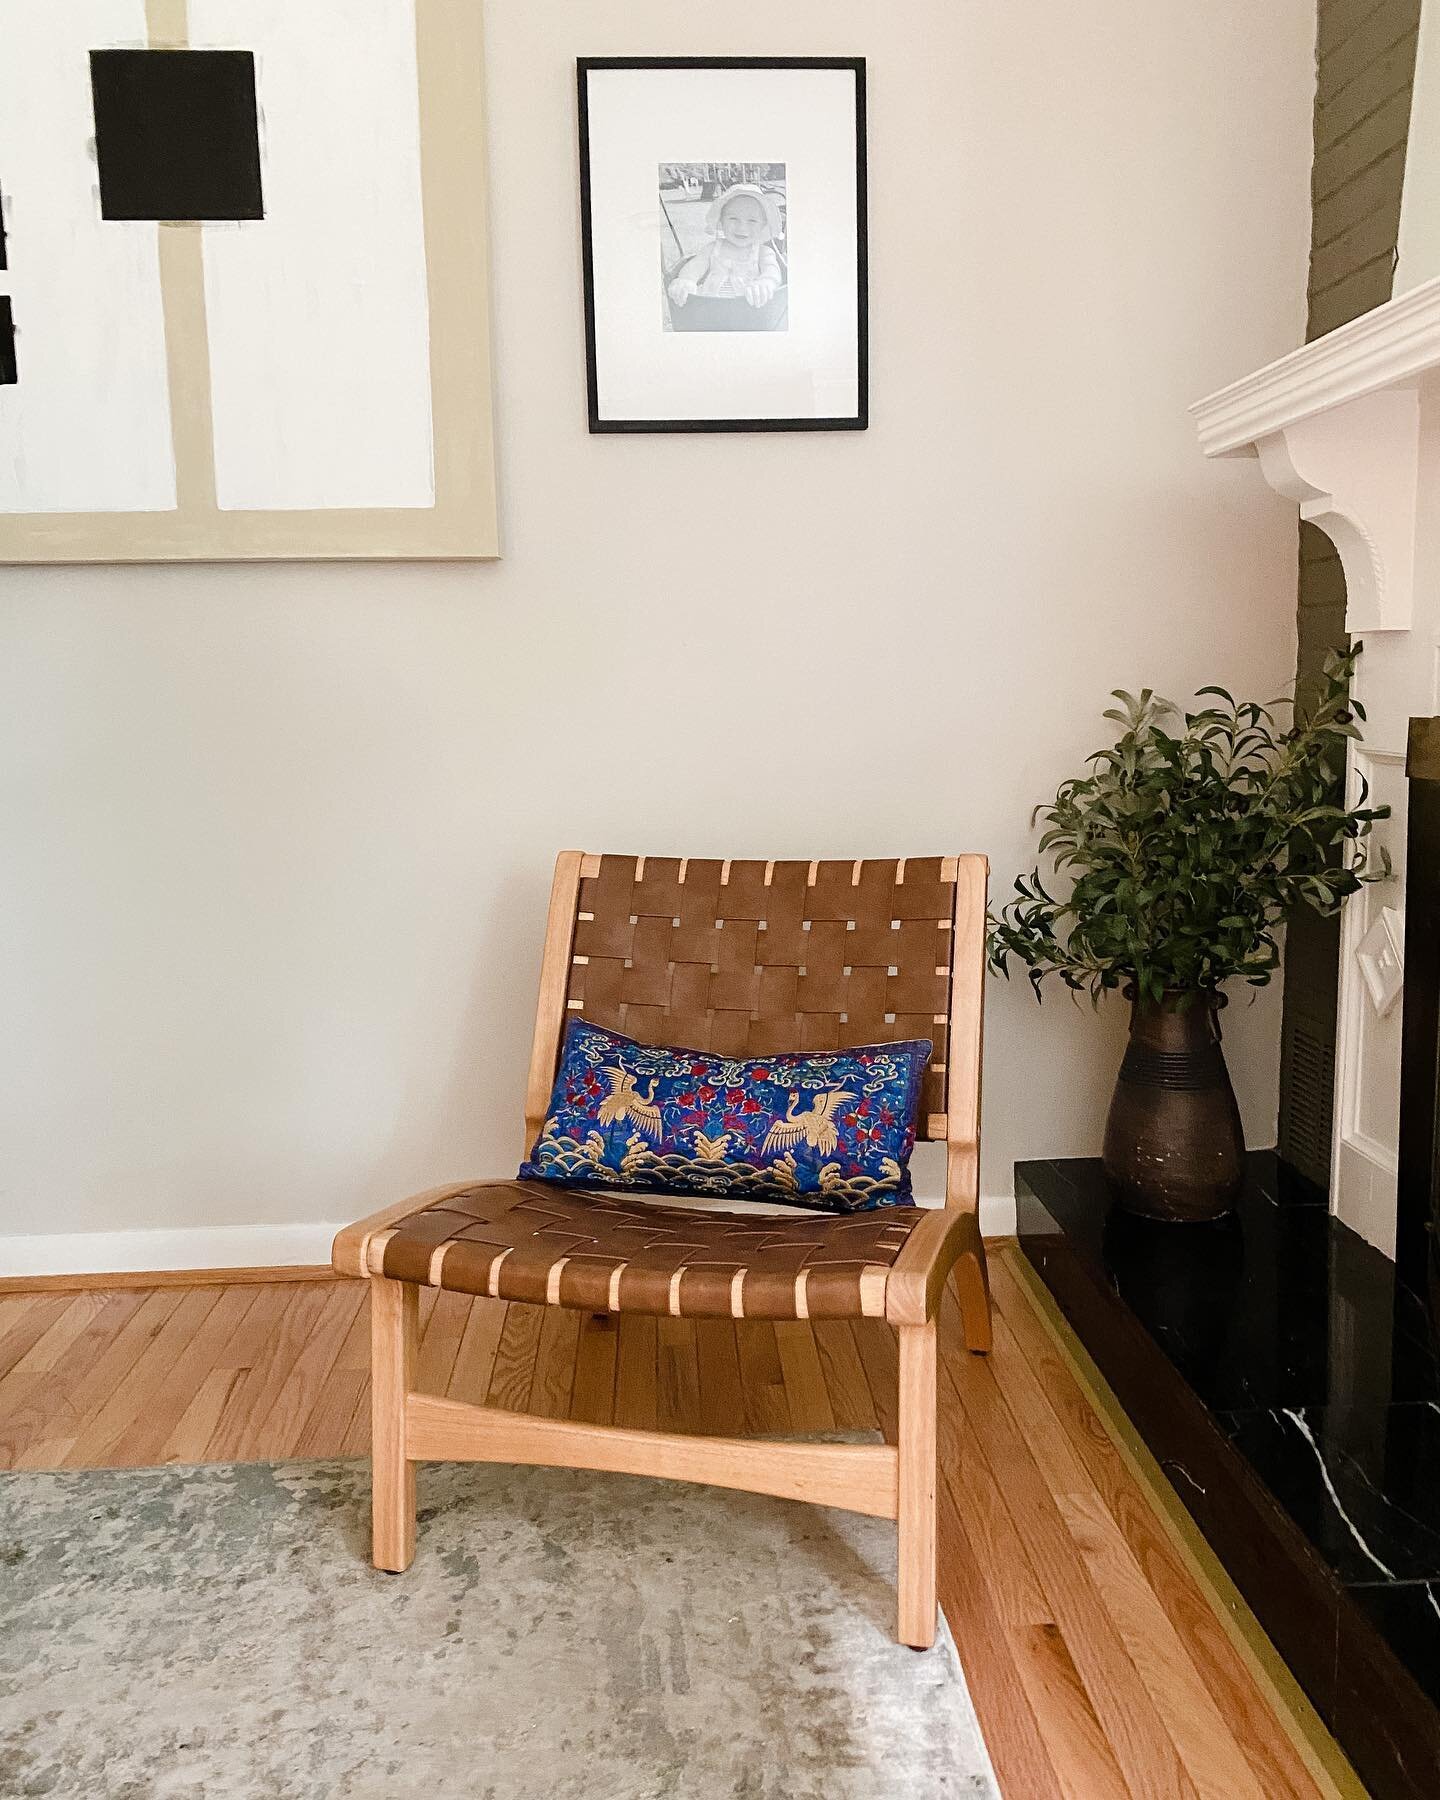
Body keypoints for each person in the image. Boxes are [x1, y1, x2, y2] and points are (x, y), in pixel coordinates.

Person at [667, 184, 783, 310]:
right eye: (733, 218)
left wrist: (765, 283)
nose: (742, 227)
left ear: (763, 225)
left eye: (752, 221)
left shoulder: (763, 252)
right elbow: (696, 265)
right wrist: (686, 279)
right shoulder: (712, 248)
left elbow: (773, 272)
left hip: (749, 309)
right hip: (710, 307)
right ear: (721, 221)